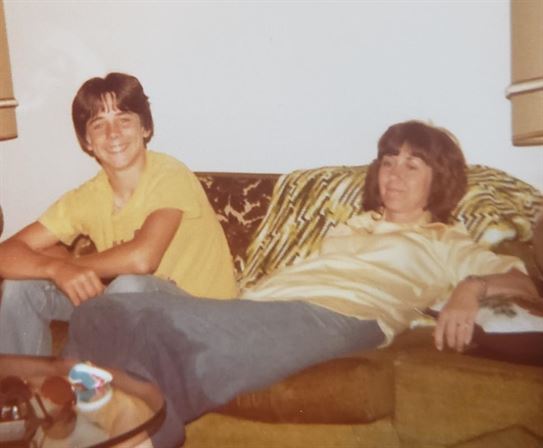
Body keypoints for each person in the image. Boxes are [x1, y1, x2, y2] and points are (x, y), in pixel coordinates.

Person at [64, 120, 539, 447]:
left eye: (412, 166)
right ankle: (84, 428)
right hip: (262, 305)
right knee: (99, 313)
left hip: (340, 315)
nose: (394, 175)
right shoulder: (350, 225)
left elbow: (526, 288)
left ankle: (131, 434)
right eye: (388, 161)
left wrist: (470, 288)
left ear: (440, 180)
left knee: (152, 331)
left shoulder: (445, 240)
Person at [0, 72, 238, 356]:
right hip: (139, 313)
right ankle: (23, 382)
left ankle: (87, 376)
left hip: (208, 320)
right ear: (87, 141)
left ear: (145, 128)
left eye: (124, 120)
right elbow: (6, 253)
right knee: (21, 286)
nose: (112, 134)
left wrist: (73, 265)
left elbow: (142, 258)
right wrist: (55, 269)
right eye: (99, 124)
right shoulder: (88, 196)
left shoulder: (170, 174)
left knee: (129, 285)